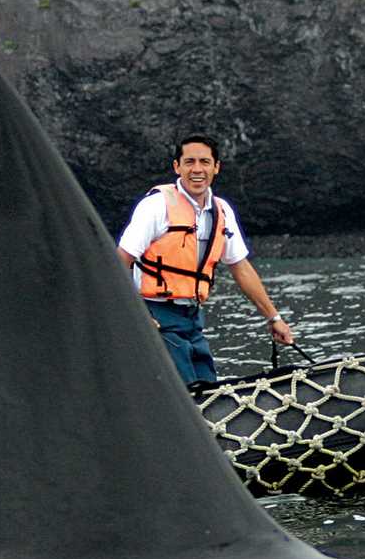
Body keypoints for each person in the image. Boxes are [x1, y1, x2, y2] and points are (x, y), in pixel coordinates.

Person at [116, 133, 294, 386]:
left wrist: (274, 319)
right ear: (177, 167)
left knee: (209, 388)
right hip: (156, 315)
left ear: (216, 167)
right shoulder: (156, 207)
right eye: (189, 162)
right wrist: (137, 314)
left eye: (204, 162)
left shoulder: (221, 210)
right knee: (184, 394)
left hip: (192, 317)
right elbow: (119, 262)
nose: (197, 169)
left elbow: (240, 267)